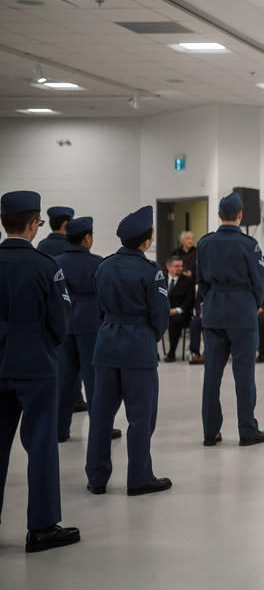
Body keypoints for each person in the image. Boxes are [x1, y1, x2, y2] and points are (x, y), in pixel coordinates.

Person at [0, 190, 81, 553]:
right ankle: (42, 527)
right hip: (35, 363)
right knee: (42, 445)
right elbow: (61, 323)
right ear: (33, 224)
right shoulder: (47, 267)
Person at [86, 206, 172, 497]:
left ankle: (97, 478)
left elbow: (98, 309)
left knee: (100, 416)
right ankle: (139, 478)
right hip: (138, 348)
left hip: (106, 345)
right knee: (140, 417)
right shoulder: (151, 271)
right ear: (146, 241)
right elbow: (160, 315)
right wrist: (149, 336)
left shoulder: (103, 266)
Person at [196, 192, 264, 447]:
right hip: (242, 313)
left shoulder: (204, 244)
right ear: (240, 215)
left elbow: (201, 283)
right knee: (244, 374)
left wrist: (213, 299)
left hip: (214, 313)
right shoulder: (249, 245)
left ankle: (209, 431)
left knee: (211, 375)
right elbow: (260, 283)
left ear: (218, 215)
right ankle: (247, 430)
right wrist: (252, 304)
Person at [55, 217, 115, 443]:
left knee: (64, 379)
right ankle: (101, 430)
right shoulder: (98, 263)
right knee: (94, 381)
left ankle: (60, 430)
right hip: (91, 324)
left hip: (64, 324)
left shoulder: (55, 262)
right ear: (87, 238)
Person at [41, 206, 85, 414]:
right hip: (74, 313)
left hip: (47, 312)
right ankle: (76, 398)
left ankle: (60, 406)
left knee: (61, 362)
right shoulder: (71, 247)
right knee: (78, 362)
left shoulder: (42, 246)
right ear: (66, 224)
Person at [162, 256, 194, 363]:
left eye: (181, 266)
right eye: (177, 266)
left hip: (181, 313)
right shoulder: (160, 279)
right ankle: (153, 353)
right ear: (168, 267)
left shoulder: (188, 281)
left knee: (175, 321)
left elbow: (189, 301)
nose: (180, 268)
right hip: (162, 312)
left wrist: (176, 310)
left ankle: (172, 352)